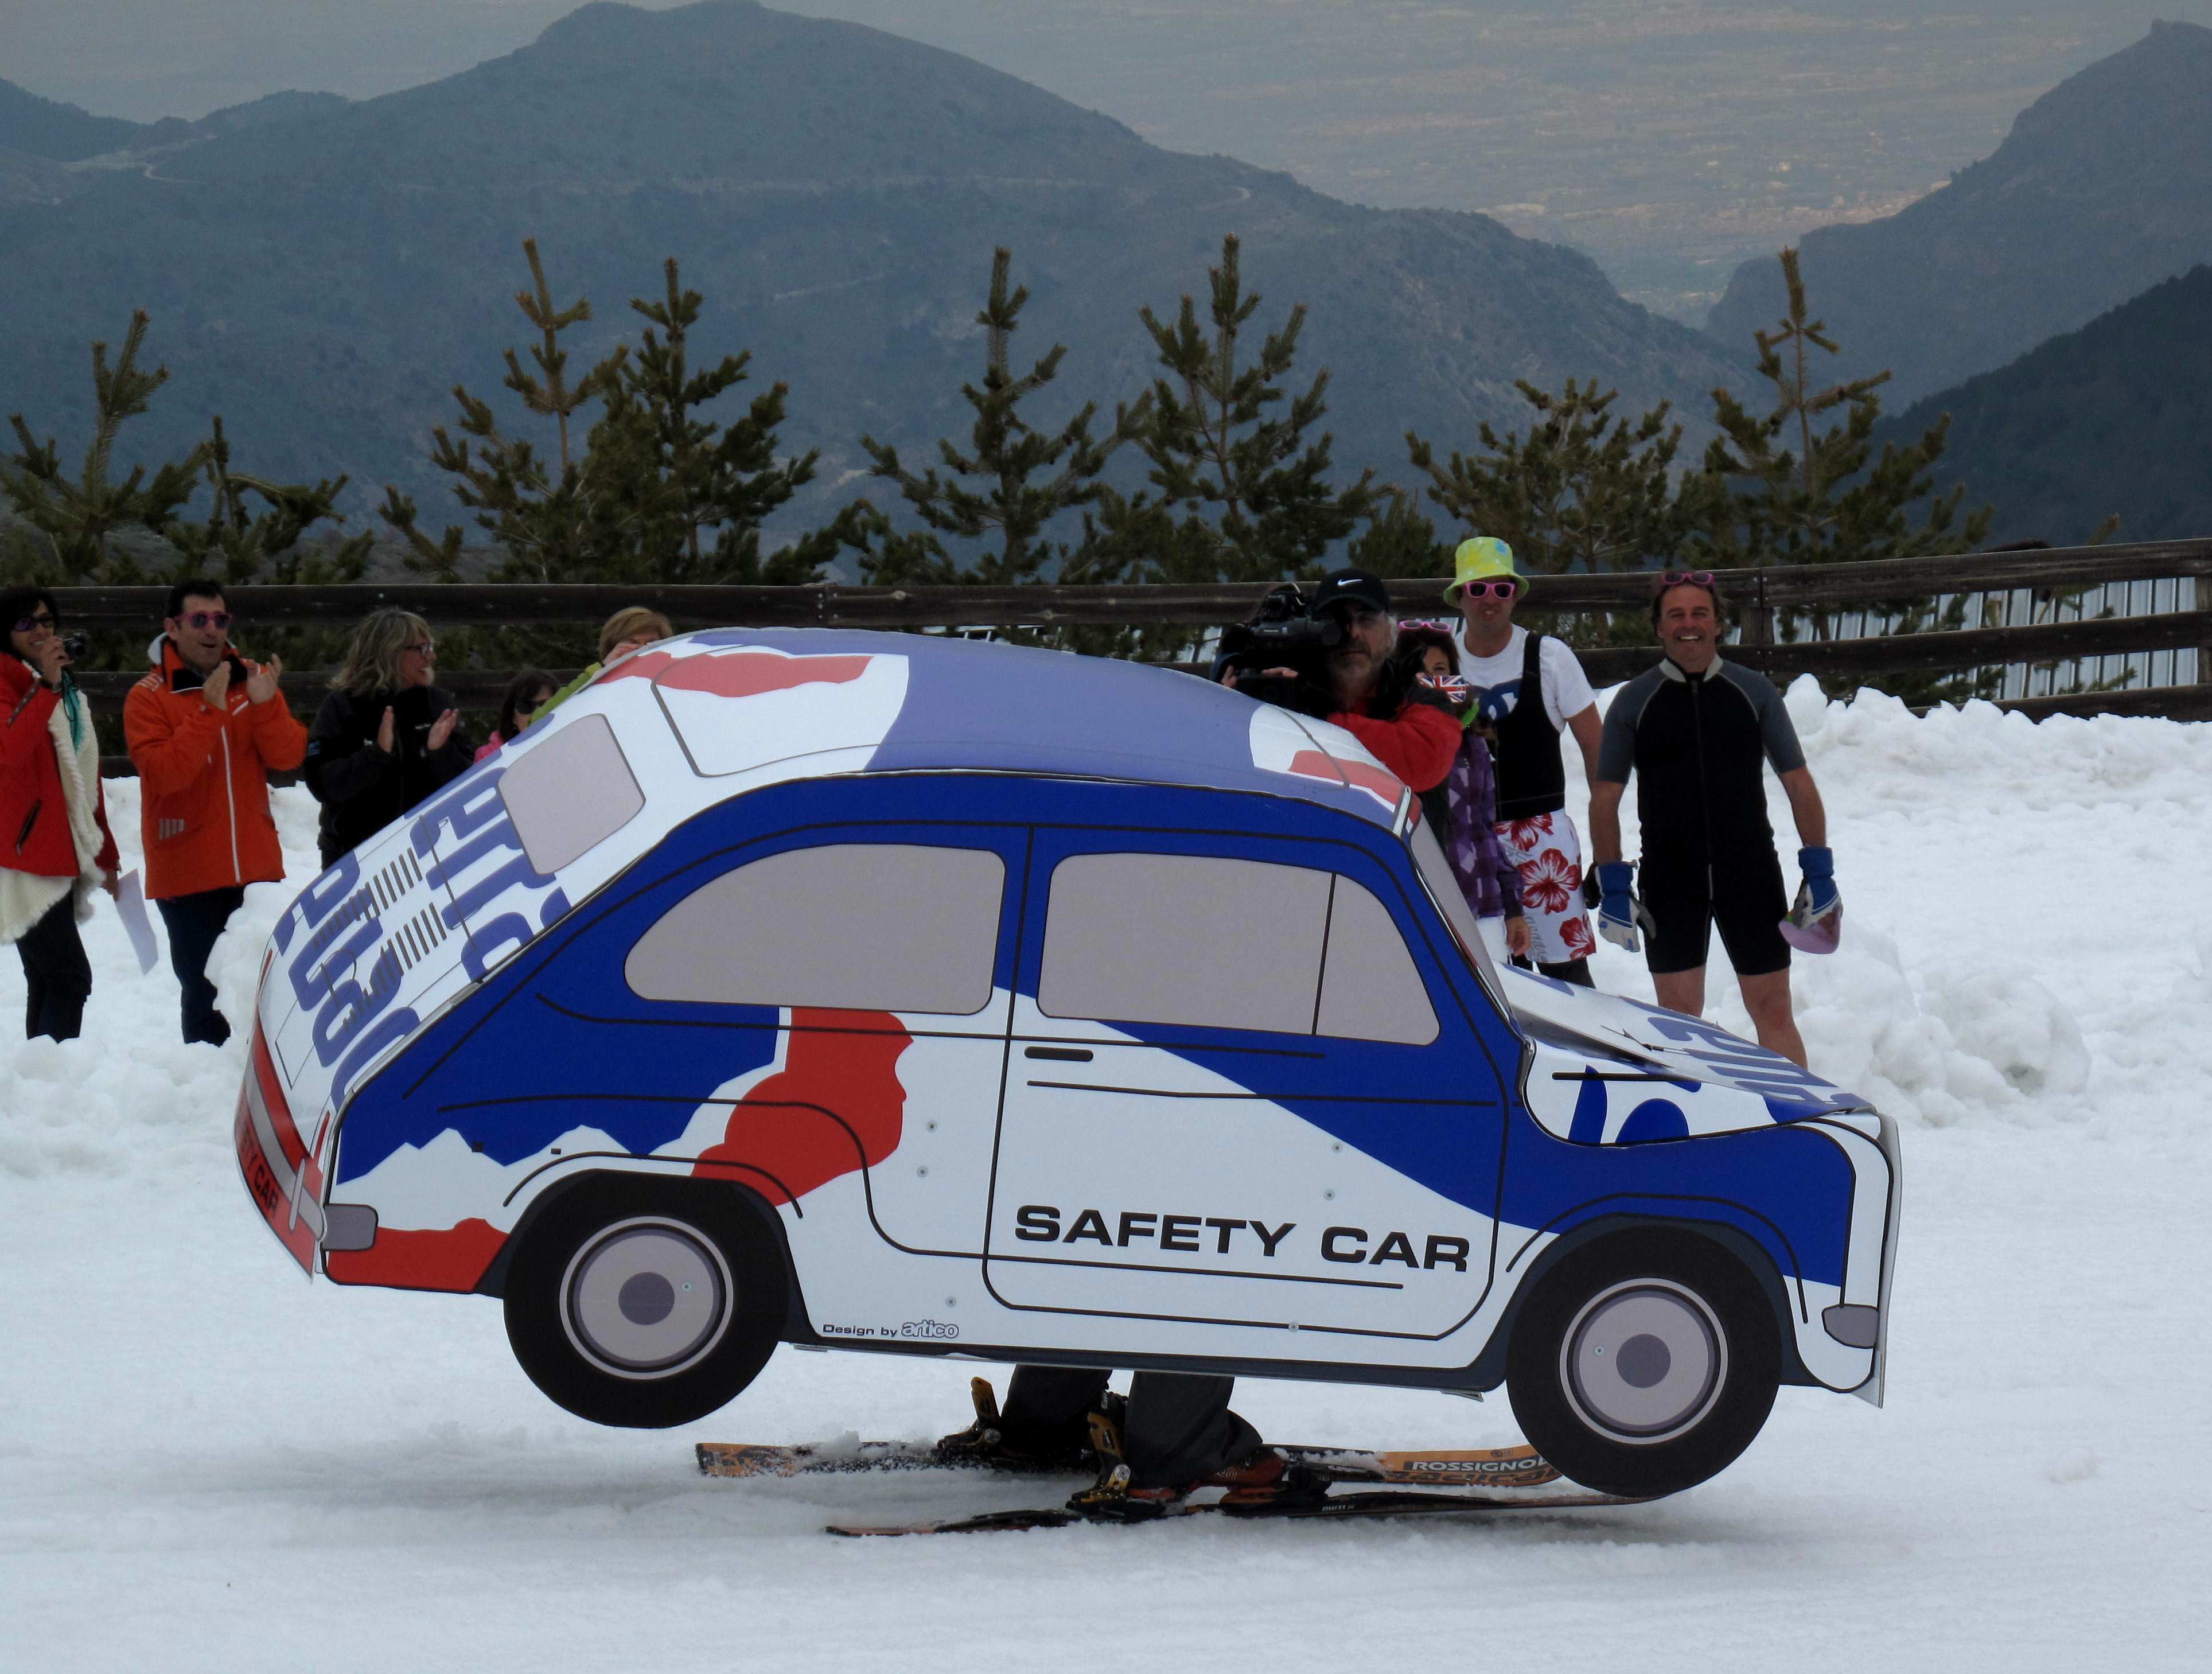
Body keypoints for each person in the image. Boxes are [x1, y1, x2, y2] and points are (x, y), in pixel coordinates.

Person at [1588, 572, 1835, 1069]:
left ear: (1719, 624)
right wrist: (1612, 879)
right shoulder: (1634, 701)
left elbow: (1799, 783)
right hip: (1669, 877)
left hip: (1750, 872)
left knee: (1772, 1009)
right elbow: (1604, 798)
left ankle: (1798, 1124)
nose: (1689, 624)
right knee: (1679, 1017)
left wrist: (1820, 869)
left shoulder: (1753, 691)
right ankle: (1693, 1128)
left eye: (1700, 613)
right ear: (1659, 628)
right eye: (1675, 615)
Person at [124, 578, 307, 1046]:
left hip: (256, 867)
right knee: (205, 995)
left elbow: (288, 757)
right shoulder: (146, 696)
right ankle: (208, 1093)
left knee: (266, 992)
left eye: (220, 619)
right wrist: (208, 712)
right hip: (188, 875)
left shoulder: (254, 679)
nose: (212, 630)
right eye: (199, 620)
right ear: (172, 627)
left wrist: (266, 708)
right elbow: (165, 776)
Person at [1444, 538, 1602, 986]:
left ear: (1516, 593)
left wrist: (1607, 848)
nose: (1489, 600)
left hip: (1543, 840)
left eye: (1501, 589)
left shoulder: (1550, 658)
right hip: (1468, 842)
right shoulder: (1445, 665)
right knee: (1486, 978)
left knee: (1567, 981)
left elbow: (1598, 753)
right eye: (1477, 590)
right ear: (1460, 597)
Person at [0, 585, 120, 1042]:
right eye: (26, 623)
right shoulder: (17, 684)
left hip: (56, 848)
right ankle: (55, 1080)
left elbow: (84, 776)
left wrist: (104, 852)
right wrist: (47, 686)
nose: (41, 630)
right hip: (21, 855)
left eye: (47, 620)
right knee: (71, 977)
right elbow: (10, 749)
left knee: (48, 978)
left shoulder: (63, 692)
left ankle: (44, 1079)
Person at [1396, 622, 1529, 963]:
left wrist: (1512, 906)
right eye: (1418, 672)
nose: (1431, 682)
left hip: (1484, 909)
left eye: (1440, 670)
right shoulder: (1391, 743)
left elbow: (1485, 832)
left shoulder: (1473, 746)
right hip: (1424, 909)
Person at [303, 609, 474, 869]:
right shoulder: (342, 707)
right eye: (422, 648)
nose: (432, 657)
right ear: (390, 653)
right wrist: (376, 756)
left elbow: (469, 784)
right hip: (355, 861)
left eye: (431, 647)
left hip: (430, 857)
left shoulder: (438, 703)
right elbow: (324, 785)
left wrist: (439, 752)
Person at [539, 608, 675, 717]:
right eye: (632, 643)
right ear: (612, 649)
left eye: (650, 643)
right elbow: (539, 722)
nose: (641, 650)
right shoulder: (597, 688)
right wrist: (601, 671)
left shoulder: (672, 684)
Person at [475, 668, 556, 764]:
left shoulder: (573, 744)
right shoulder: (487, 759)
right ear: (513, 717)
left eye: (544, 705)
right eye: (525, 707)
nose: (536, 714)